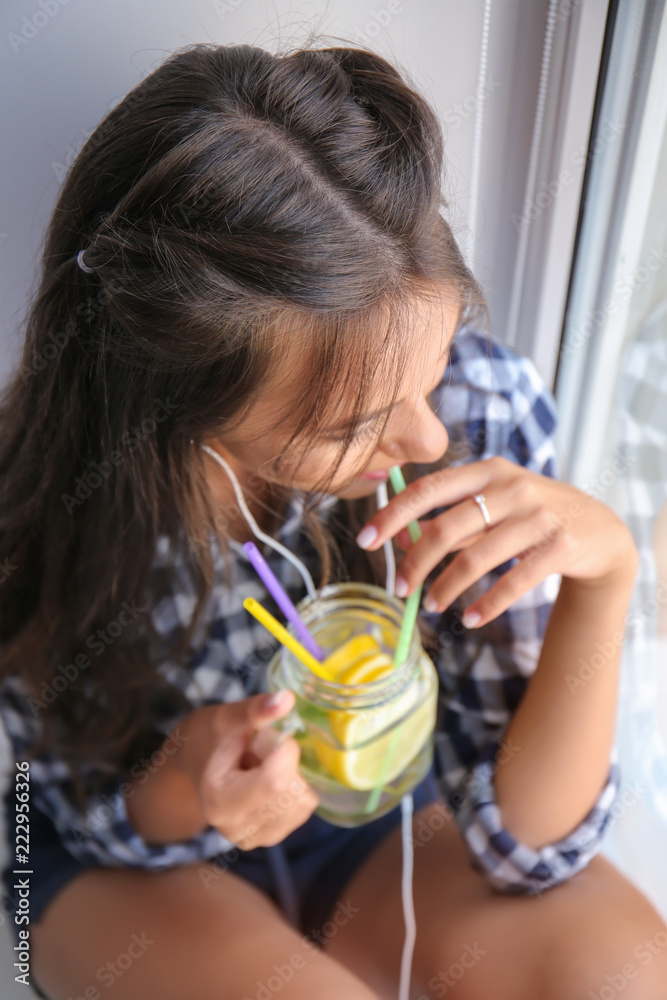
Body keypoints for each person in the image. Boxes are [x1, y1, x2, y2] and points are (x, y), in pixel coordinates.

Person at [0, 40, 665, 1000]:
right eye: (353, 426)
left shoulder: (477, 415)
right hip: (114, 847)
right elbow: (51, 805)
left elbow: (528, 853)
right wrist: (190, 778)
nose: (427, 436)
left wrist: (603, 584)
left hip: (375, 803)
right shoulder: (52, 507)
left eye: (431, 369)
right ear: (186, 404)